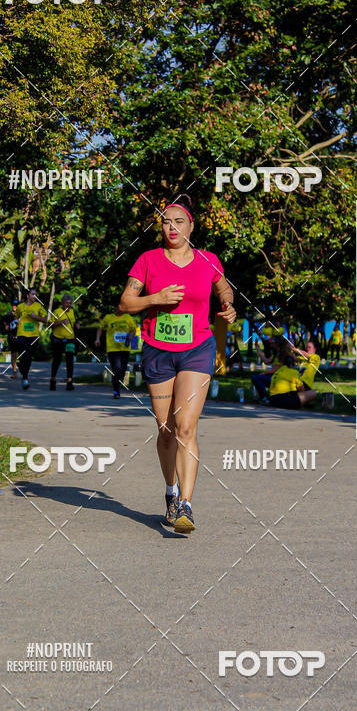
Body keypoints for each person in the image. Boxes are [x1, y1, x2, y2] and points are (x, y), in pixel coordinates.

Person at [119, 194, 236, 533]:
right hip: (157, 350)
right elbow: (125, 303)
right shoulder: (148, 260)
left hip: (197, 349)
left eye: (178, 221)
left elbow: (223, 288)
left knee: (186, 426)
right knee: (166, 429)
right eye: (166, 222)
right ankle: (170, 492)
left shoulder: (207, 260)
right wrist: (155, 299)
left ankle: (186, 504)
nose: (172, 227)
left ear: (191, 226)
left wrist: (228, 304)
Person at [95, 308, 137, 398]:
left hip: (125, 348)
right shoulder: (108, 317)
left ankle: (116, 384)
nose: (119, 309)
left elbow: (133, 329)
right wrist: (97, 339)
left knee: (122, 371)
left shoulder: (128, 317)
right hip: (112, 348)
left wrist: (130, 337)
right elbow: (100, 328)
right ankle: (116, 391)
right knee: (116, 369)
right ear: (114, 308)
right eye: (117, 307)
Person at [15, 288, 47, 390]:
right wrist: (17, 322)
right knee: (25, 355)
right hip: (22, 334)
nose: (35, 296)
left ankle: (22, 369)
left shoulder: (38, 306)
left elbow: (46, 319)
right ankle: (25, 379)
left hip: (33, 335)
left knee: (28, 357)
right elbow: (15, 316)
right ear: (28, 295)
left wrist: (36, 317)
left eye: (36, 294)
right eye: (33, 294)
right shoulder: (20, 307)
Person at [49, 293, 79, 391]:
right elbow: (49, 324)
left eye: (70, 303)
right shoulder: (57, 311)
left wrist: (76, 326)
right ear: (62, 303)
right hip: (58, 339)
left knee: (70, 360)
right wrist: (60, 322)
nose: (68, 305)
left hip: (70, 339)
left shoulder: (73, 312)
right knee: (57, 360)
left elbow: (74, 323)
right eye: (66, 303)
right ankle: (53, 379)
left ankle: (69, 381)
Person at [4, 298, 19, 377]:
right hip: (12, 337)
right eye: (13, 305)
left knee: (22, 354)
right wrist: (6, 326)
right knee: (13, 355)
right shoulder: (8, 315)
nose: (14, 306)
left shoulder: (21, 315)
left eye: (16, 305)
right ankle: (14, 371)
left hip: (20, 337)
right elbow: (5, 323)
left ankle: (21, 367)